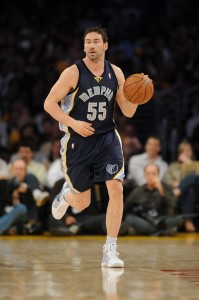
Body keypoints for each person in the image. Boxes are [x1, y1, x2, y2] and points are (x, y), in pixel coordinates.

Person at [44, 26, 151, 267]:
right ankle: (66, 195)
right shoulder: (73, 73)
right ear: (84, 47)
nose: (91, 45)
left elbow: (128, 111)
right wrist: (73, 123)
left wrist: (137, 95)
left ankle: (110, 249)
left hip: (107, 138)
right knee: (82, 203)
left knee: (116, 188)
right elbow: (49, 103)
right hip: (78, 141)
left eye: (96, 41)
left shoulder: (116, 73)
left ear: (105, 46)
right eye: (88, 42)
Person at [123, 163, 184, 236]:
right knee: (130, 218)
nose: (151, 176)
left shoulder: (166, 187)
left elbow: (173, 204)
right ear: (145, 175)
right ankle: (162, 233)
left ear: (158, 175)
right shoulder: (138, 191)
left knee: (180, 219)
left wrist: (161, 191)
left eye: (154, 174)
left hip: (163, 220)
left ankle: (145, 232)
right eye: (148, 174)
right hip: (145, 221)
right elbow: (125, 207)